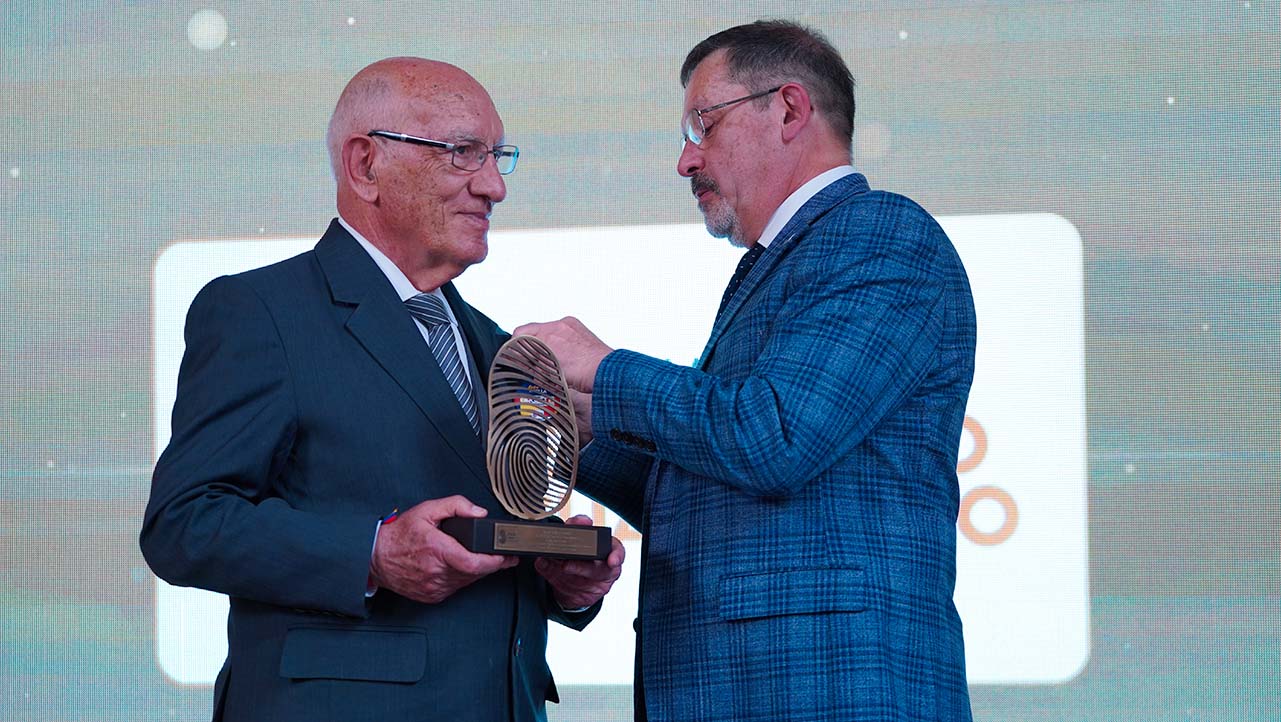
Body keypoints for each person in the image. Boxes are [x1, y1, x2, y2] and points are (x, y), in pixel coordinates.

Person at [516, 20, 975, 722]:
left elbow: (774, 435)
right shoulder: (780, 264)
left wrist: (603, 371)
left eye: (702, 124)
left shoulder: (881, 235)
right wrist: (565, 425)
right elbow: (704, 478)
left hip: (828, 693)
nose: (684, 160)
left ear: (789, 109)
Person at [140, 57, 623, 722]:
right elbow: (182, 523)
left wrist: (568, 584)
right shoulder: (260, 311)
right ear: (365, 165)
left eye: (497, 156)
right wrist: (371, 553)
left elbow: (491, 540)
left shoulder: (497, 345)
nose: (492, 186)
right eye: (462, 154)